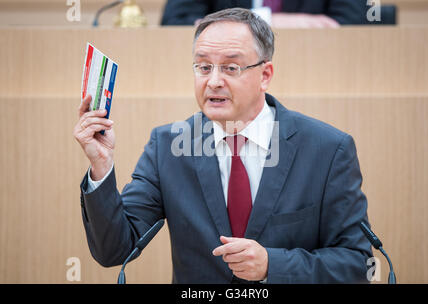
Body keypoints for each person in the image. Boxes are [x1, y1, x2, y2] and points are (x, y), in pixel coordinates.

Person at [74, 8, 373, 283]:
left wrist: (273, 265)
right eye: (203, 67)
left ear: (265, 75)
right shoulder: (168, 146)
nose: (214, 81)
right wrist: (101, 167)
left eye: (231, 68)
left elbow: (356, 264)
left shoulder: (327, 149)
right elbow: (114, 249)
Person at [161, 0, 369, 27]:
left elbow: (353, 23)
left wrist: (223, 23)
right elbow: (176, 22)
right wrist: (267, 20)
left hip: (318, 69)